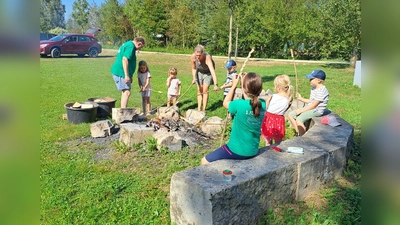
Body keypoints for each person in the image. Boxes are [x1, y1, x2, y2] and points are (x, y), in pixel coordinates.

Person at [201, 72, 266, 165]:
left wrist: (233, 86)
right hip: (252, 150)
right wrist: (247, 82)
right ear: (260, 89)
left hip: (236, 150)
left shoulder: (238, 104)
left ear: (243, 88)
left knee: (204, 160)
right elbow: (249, 101)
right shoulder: (263, 104)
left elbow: (225, 102)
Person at [288, 70, 329, 136]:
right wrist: (301, 99)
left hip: (316, 110)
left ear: (318, 80)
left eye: (311, 79)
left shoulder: (322, 91)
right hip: (311, 108)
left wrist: (301, 111)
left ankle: (303, 137)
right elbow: (311, 101)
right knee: (291, 115)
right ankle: (299, 132)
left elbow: (314, 105)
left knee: (299, 119)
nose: (309, 80)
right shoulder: (314, 88)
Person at [110, 36, 146, 108]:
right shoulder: (131, 46)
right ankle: (123, 112)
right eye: (141, 47)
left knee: (125, 92)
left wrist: (130, 75)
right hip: (121, 72)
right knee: (127, 92)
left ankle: (122, 111)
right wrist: (126, 75)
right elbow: (125, 59)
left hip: (121, 72)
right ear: (139, 43)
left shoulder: (128, 43)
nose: (140, 49)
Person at [261, 74, 294, 146]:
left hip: (269, 119)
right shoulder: (289, 99)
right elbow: (285, 110)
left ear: (278, 87)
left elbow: (265, 108)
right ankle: (277, 153)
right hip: (279, 120)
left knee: (268, 141)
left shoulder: (272, 96)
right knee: (278, 142)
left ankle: (268, 153)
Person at [190, 45, 219, 112]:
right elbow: (194, 68)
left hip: (208, 73)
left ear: (203, 53)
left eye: (199, 55)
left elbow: (212, 72)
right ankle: (199, 108)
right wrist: (194, 78)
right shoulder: (193, 57)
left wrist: (215, 84)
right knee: (199, 90)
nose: (198, 57)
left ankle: (203, 110)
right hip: (199, 72)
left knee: (205, 90)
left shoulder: (207, 57)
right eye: (196, 55)